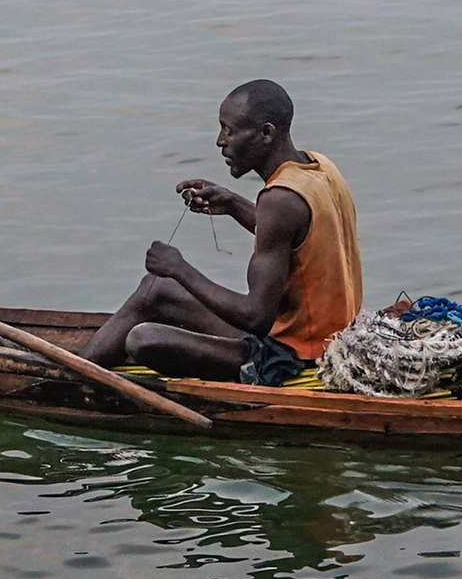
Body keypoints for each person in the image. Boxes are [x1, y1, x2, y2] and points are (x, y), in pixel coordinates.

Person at [78, 80, 362, 385]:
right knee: (155, 288)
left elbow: (256, 318)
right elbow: (298, 236)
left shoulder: (279, 200)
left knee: (142, 339)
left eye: (230, 130)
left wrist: (179, 268)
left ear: (266, 133)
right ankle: (74, 369)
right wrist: (232, 203)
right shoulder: (318, 166)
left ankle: (62, 380)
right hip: (333, 335)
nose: (220, 141)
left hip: (290, 357)